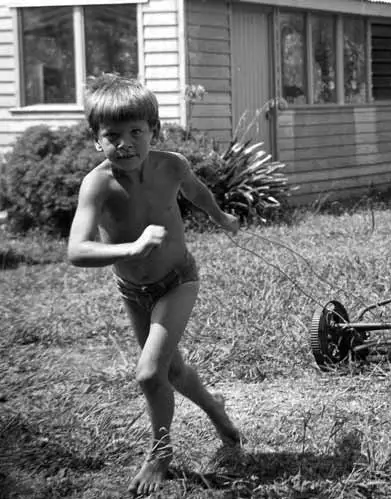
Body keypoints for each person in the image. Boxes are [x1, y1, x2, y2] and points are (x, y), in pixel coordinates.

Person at [67, 74, 242, 496]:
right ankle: (220, 417)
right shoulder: (98, 184)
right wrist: (132, 248)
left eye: (135, 133)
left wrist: (221, 218)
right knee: (173, 369)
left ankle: (160, 454)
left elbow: (198, 193)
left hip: (178, 279)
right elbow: (77, 250)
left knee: (149, 374)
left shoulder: (172, 165)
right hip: (134, 291)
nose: (124, 143)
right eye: (112, 135)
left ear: (154, 132)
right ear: (96, 140)